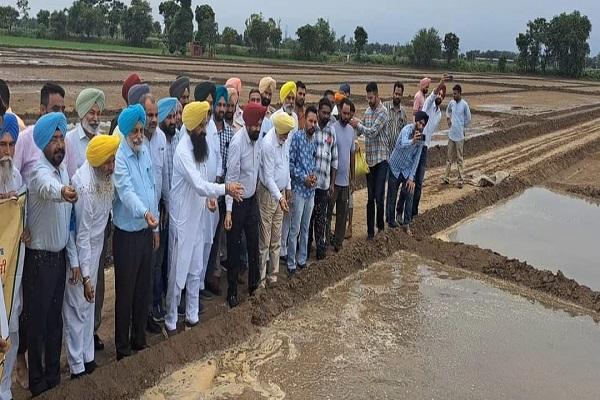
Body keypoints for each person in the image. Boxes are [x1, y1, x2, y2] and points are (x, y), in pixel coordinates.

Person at [165, 101, 244, 335]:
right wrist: (224, 189)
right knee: (177, 274)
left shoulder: (197, 146)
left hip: (197, 219)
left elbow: (201, 182)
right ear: (191, 126)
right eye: (201, 124)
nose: (204, 128)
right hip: (182, 222)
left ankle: (192, 316)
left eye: (205, 124)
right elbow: (199, 184)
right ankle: (170, 321)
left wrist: (209, 199)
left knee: (195, 270)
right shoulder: (182, 152)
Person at [25, 112, 78, 396]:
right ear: (44, 142)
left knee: (55, 322)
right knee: (38, 325)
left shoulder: (64, 170)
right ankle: (37, 382)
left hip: (58, 261)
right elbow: (47, 189)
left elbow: (68, 222)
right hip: (39, 262)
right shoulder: (39, 171)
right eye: (54, 140)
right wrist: (63, 192)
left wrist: (73, 261)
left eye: (61, 139)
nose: (59, 145)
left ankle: (53, 379)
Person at [63, 134, 119, 380]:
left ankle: (87, 358)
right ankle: (77, 367)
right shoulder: (84, 186)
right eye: (108, 162)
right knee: (77, 307)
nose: (111, 166)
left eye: (113, 161)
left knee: (88, 306)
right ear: (97, 162)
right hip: (78, 253)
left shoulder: (105, 177)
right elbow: (81, 235)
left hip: (95, 248)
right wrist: (85, 276)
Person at [112, 104, 159, 361]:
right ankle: (122, 348)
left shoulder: (144, 151)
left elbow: (151, 187)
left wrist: (155, 224)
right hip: (127, 234)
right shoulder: (120, 156)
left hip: (145, 231)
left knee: (143, 289)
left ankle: (139, 340)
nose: (139, 135)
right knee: (126, 294)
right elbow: (126, 192)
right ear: (127, 131)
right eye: (135, 131)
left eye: (141, 130)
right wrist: (144, 213)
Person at [64, 87, 109, 352]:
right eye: (90, 112)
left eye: (98, 112)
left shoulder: (102, 140)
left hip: (98, 227)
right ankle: (75, 350)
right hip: (76, 225)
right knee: (76, 286)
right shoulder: (70, 142)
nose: (94, 117)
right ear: (81, 113)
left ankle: (90, 337)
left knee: (95, 285)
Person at [224, 102, 268, 308]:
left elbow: (260, 170)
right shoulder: (237, 143)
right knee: (234, 247)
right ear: (247, 123)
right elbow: (230, 178)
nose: (257, 129)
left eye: (260, 126)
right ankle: (231, 292)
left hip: (252, 201)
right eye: (254, 126)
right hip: (238, 202)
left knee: (253, 243)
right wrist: (229, 212)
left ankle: (254, 287)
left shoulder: (257, 140)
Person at [0, 113, 29, 400]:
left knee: (12, 326)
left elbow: (22, 213)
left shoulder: (17, 177)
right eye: (1, 145)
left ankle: (5, 388)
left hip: (12, 269)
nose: (6, 152)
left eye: (11, 145)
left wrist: (25, 229)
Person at [140, 93, 169, 333]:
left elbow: (165, 177)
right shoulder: (135, 140)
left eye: (156, 115)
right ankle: (141, 315)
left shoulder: (161, 139)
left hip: (158, 211)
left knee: (155, 265)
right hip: (141, 216)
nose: (153, 119)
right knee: (142, 270)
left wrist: (168, 204)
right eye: (149, 115)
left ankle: (150, 310)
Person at [257, 109, 294, 286]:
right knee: (265, 239)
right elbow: (268, 176)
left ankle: (273, 276)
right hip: (267, 195)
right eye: (286, 133)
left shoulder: (284, 140)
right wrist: (280, 197)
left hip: (280, 194)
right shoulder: (268, 144)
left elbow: (285, 165)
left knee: (276, 238)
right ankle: (261, 280)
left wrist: (288, 187)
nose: (287, 136)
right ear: (279, 129)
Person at [401, 76, 447, 218]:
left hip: (424, 147)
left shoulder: (439, 114)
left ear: (444, 98)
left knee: (419, 182)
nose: (439, 96)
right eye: (438, 93)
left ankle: (413, 213)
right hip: (415, 145)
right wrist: (440, 85)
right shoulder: (428, 103)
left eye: (442, 95)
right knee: (409, 179)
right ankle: (401, 211)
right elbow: (432, 95)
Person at [151, 97, 178, 323]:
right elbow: (159, 179)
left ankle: (164, 300)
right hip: (156, 210)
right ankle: (154, 304)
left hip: (171, 208)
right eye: (168, 117)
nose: (172, 120)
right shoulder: (156, 140)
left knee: (168, 258)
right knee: (157, 261)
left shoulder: (175, 139)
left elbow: (171, 176)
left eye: (174, 116)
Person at [350, 82, 389, 240]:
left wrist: (358, 124)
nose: (369, 100)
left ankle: (380, 228)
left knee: (379, 196)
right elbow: (362, 128)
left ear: (377, 95)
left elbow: (371, 132)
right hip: (370, 161)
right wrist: (355, 125)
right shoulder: (367, 111)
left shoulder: (383, 112)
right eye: (367, 98)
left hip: (381, 160)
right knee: (370, 198)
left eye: (371, 97)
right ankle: (370, 232)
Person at [205, 86, 234, 295]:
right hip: (209, 189)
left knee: (218, 235)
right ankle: (203, 277)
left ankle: (214, 274)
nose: (222, 108)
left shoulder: (230, 132)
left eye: (225, 105)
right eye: (219, 104)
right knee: (206, 235)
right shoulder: (206, 130)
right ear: (214, 106)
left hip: (224, 188)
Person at [14, 82, 66, 186]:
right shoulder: (24, 139)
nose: (60, 114)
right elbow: (13, 179)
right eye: (55, 109)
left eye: (62, 109)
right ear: (42, 109)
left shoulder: (65, 140)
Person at [287, 106, 318, 275]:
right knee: (295, 229)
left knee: (306, 228)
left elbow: (314, 164)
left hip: (310, 192)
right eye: (310, 121)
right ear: (304, 120)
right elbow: (290, 165)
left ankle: (302, 259)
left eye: (315, 121)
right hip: (298, 190)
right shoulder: (297, 138)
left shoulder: (315, 140)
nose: (313, 124)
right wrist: (303, 178)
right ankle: (291, 263)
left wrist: (313, 178)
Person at [386, 111, 429, 235]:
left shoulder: (421, 139)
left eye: (423, 124)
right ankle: (390, 222)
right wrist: (412, 141)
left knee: (410, 192)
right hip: (395, 166)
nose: (421, 126)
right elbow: (402, 143)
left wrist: (411, 177)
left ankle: (406, 223)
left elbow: (416, 159)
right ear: (415, 121)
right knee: (392, 196)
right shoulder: (406, 130)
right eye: (419, 122)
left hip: (406, 170)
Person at [308, 98, 337, 260]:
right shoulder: (312, 129)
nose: (326, 116)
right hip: (310, 185)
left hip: (324, 185)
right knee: (309, 219)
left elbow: (335, 159)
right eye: (323, 112)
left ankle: (320, 251)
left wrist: (332, 183)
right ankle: (305, 249)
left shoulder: (331, 132)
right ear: (318, 111)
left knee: (321, 219)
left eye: (328, 113)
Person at [327, 98, 356, 251]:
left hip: (345, 181)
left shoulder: (351, 131)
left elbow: (352, 156)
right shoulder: (332, 129)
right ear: (339, 110)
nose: (346, 116)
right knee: (328, 213)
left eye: (348, 114)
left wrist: (352, 178)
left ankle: (338, 243)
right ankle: (325, 242)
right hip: (333, 181)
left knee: (342, 215)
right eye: (343, 113)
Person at [443, 84, 471, 188]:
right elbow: (447, 111)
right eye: (453, 93)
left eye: (455, 94)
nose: (454, 95)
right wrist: (448, 119)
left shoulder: (464, 105)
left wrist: (463, 128)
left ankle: (460, 179)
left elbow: (468, 118)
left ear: (460, 93)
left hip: (460, 135)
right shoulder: (452, 103)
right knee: (449, 158)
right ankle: (446, 178)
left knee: (459, 158)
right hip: (451, 134)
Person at [383, 82, 407, 156]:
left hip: (396, 153)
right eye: (396, 94)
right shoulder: (384, 107)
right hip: (384, 152)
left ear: (402, 95)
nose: (397, 96)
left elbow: (404, 133)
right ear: (393, 93)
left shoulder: (403, 113)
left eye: (399, 95)